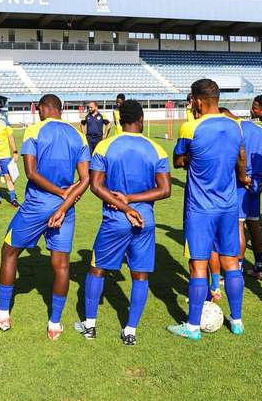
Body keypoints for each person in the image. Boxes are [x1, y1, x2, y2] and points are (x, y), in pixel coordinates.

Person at [0, 94, 91, 340]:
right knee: (61, 265)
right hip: (66, 208)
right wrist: (65, 200)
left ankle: (2, 313)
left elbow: (30, 172)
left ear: (41, 109)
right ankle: (55, 323)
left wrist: (59, 192)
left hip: (36, 206)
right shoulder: (78, 135)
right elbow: (85, 180)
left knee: (8, 252)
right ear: (61, 110)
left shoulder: (33, 130)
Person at [74, 100, 171, 345]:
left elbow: (95, 185)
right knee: (140, 276)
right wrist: (134, 202)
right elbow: (165, 189)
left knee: (97, 268)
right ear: (141, 119)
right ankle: (130, 330)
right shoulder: (157, 149)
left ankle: (90, 326)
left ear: (119, 120)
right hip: (144, 221)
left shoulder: (106, 147)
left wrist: (124, 203)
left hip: (115, 219)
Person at [168, 79, 249, 339]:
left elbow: (178, 161)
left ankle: (192, 327)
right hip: (228, 205)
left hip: (201, 208)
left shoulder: (190, 127)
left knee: (198, 265)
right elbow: (240, 160)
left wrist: (191, 157)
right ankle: (236, 321)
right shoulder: (236, 126)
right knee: (231, 263)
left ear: (198, 101)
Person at [223, 107, 262, 280]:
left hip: (241, 182)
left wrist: (241, 176)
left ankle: (237, 271)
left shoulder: (232, 129)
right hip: (257, 182)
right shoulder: (255, 128)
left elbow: (238, 155)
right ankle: (258, 268)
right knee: (254, 224)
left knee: (239, 225)